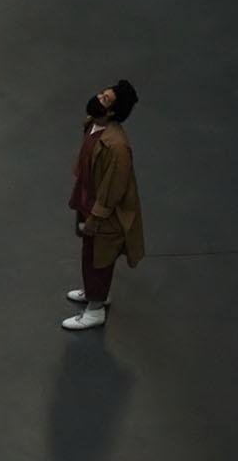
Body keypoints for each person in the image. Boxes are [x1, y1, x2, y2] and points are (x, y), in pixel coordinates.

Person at [64, 80, 145, 330]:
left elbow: (113, 191)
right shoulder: (93, 124)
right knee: (90, 252)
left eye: (105, 99)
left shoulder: (117, 146)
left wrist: (96, 218)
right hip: (88, 198)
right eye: (102, 93)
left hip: (102, 212)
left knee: (99, 257)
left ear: (111, 112)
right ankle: (93, 292)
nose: (98, 97)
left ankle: (95, 308)